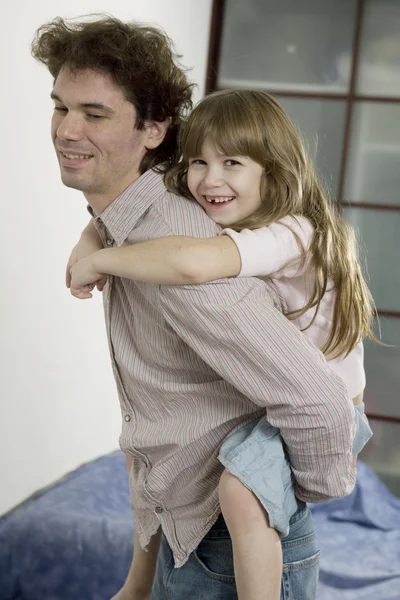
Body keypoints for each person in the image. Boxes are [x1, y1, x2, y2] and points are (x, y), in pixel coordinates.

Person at [32, 16, 358, 600]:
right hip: (187, 537)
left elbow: (319, 403)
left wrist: (291, 493)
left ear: (154, 128)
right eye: (60, 107)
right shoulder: (135, 220)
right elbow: (161, 430)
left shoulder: (191, 266)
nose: (66, 130)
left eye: (95, 114)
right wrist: (137, 584)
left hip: (229, 553)